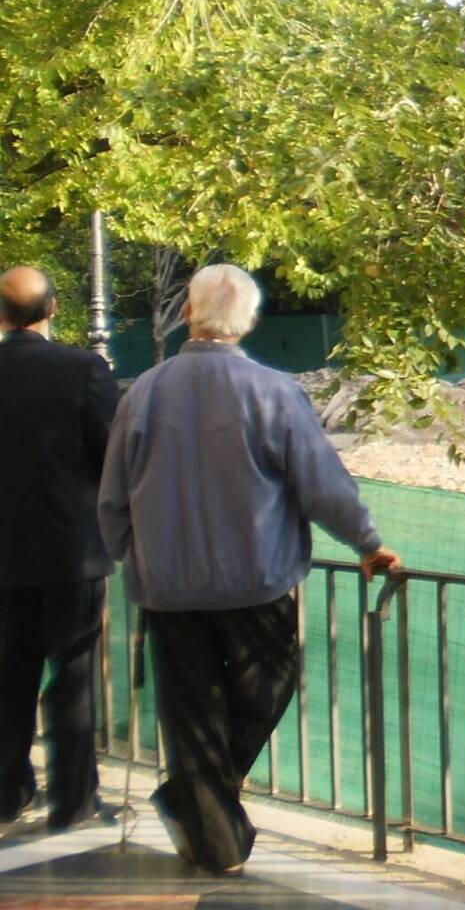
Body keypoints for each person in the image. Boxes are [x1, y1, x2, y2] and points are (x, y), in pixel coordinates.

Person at [98, 264, 399, 873]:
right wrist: (366, 541)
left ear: (188, 312)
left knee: (192, 711)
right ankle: (212, 833)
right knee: (268, 687)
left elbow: (112, 498)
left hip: (168, 586)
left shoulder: (144, 392)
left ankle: (200, 808)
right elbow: (323, 486)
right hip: (257, 581)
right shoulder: (274, 392)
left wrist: (131, 552)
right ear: (251, 320)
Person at [0, 265, 119, 830]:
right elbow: (112, 453)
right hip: (72, 550)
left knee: (8, 678)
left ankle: (6, 792)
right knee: (72, 678)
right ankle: (72, 802)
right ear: (51, 312)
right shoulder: (83, 369)